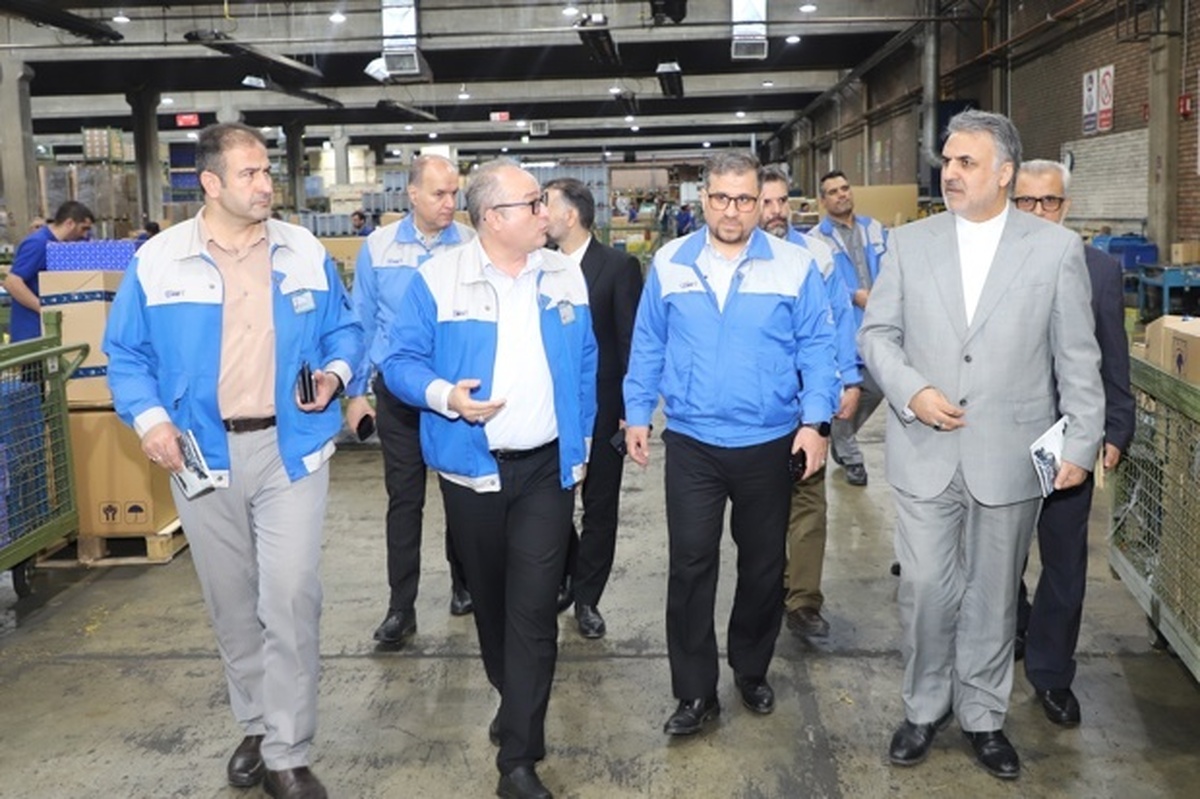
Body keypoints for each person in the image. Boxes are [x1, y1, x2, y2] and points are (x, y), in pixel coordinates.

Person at [104, 122, 362, 799]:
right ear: (211, 183)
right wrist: (152, 421)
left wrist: (336, 374)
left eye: (267, 171)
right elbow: (126, 355)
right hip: (201, 454)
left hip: (290, 448)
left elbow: (345, 328)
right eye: (250, 173)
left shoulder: (303, 250)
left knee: (291, 594)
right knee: (233, 601)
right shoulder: (158, 261)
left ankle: (287, 751)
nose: (266, 184)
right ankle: (257, 722)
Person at [858, 110, 1104, 781]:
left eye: (966, 162)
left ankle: (983, 715)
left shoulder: (1054, 250)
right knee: (926, 590)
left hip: (1011, 453)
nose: (951, 172)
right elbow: (876, 335)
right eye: (947, 161)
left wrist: (1081, 441)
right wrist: (912, 390)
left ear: (1004, 173)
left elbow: (1077, 356)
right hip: (925, 448)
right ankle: (924, 706)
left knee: (994, 596)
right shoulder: (910, 244)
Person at [381, 159, 596, 799]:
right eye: (532, 203)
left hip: (546, 472)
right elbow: (399, 362)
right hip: (472, 472)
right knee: (495, 608)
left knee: (535, 611)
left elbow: (585, 362)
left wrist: (581, 441)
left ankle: (519, 759)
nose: (545, 213)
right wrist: (446, 396)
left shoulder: (564, 274)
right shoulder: (438, 279)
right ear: (493, 218)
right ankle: (513, 696)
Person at [624, 150, 839, 737]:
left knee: (764, 565)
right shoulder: (670, 262)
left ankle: (750, 667)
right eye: (721, 198)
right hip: (692, 441)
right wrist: (637, 413)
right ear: (704, 198)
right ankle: (694, 691)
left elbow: (818, 350)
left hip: (769, 440)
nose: (732, 211)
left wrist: (815, 423)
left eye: (745, 199)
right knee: (690, 564)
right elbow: (648, 344)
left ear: (761, 201)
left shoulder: (793, 266)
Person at [1011, 159, 1135, 726]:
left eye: (1050, 201)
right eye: (1026, 201)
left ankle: (1052, 673)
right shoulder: (992, 265)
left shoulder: (1099, 271)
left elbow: (1113, 354)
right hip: (1004, 436)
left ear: (1067, 206)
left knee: (1063, 563)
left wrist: (1115, 429)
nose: (1039, 212)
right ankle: (1016, 625)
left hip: (1066, 438)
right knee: (998, 556)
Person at [345, 154, 477, 646]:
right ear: (413, 195)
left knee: (460, 491)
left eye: (454, 193)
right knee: (405, 499)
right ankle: (401, 607)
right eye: (439, 194)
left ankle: (465, 584)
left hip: (453, 393)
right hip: (398, 393)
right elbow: (361, 322)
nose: (449, 203)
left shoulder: (470, 244)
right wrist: (355, 393)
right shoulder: (379, 248)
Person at [759, 166, 860, 640]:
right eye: (766, 202)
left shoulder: (817, 255)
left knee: (808, 500)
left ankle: (802, 600)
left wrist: (850, 378)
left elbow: (840, 319)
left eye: (782, 201)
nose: (776, 211)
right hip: (759, 409)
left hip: (810, 402)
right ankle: (771, 586)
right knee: (763, 506)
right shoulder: (735, 259)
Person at [544, 177, 643, 639]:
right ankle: (568, 572)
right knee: (551, 500)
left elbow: (629, 342)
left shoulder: (618, 267)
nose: (539, 213)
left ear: (570, 215)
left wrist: (631, 410)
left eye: (545, 205)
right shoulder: (538, 266)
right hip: (549, 408)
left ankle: (587, 598)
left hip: (605, 408)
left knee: (599, 505)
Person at [809, 170, 888, 486]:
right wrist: (854, 295)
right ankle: (851, 457)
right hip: (844, 328)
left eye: (844, 188)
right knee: (848, 392)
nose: (841, 194)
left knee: (878, 387)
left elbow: (893, 266)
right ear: (823, 201)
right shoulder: (816, 239)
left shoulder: (875, 229)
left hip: (878, 323)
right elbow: (819, 285)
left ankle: (841, 438)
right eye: (833, 191)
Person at [3, 200, 94, 343]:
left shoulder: (62, 246)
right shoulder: (38, 244)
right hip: (33, 332)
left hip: (53, 329)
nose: (85, 235)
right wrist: (43, 308)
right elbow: (12, 281)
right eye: (83, 228)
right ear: (69, 223)